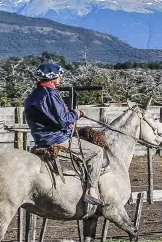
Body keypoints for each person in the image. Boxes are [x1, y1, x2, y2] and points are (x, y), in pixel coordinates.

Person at [24, 62, 104, 215]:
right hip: (57, 138)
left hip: (40, 138)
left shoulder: (33, 95)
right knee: (97, 151)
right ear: (53, 77)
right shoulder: (51, 94)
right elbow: (63, 120)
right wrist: (76, 114)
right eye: (59, 74)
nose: (61, 77)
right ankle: (92, 191)